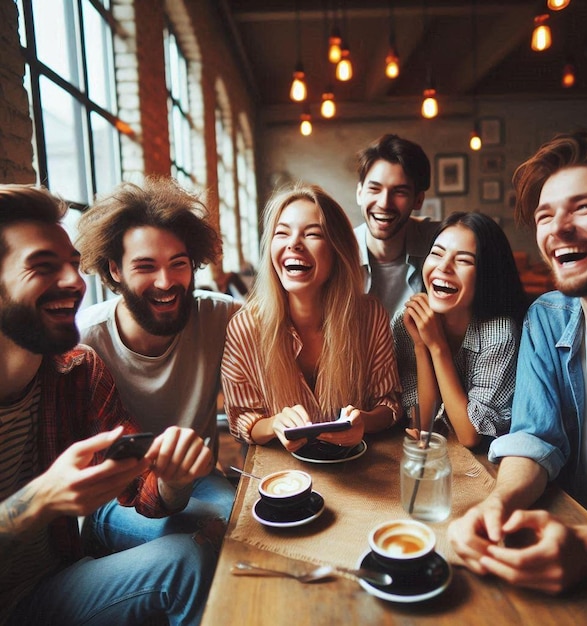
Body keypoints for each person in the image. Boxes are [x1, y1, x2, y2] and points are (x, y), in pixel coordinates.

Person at [0, 184, 214, 625]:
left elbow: (140, 489)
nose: (74, 282)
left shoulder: (76, 370)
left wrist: (174, 480)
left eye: (72, 266)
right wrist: (33, 504)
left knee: (189, 558)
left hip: (48, 587)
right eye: (43, 267)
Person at [448, 129, 587, 594]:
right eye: (546, 215)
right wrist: (497, 503)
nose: (558, 228)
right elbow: (533, 436)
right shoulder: (546, 319)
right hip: (566, 544)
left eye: (584, 207)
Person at [75, 177, 237, 552]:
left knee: (241, 526)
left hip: (198, 477)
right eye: (145, 266)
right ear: (114, 270)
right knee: (203, 539)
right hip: (114, 498)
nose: (165, 282)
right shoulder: (84, 341)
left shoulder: (220, 315)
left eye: (178, 264)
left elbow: (283, 328)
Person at [221, 184, 401, 452]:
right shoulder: (245, 327)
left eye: (312, 234)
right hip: (282, 472)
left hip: (355, 465)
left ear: (337, 250)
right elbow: (241, 418)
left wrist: (364, 421)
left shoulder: (369, 316)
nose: (294, 243)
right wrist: (273, 424)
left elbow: (389, 404)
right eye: (281, 233)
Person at [402, 212, 527, 449]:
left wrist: (437, 347)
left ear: (486, 275)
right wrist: (421, 345)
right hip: (438, 455)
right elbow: (421, 427)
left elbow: (470, 436)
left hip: (482, 466)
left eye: (464, 260)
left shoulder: (500, 334)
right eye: (437, 254)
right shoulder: (409, 321)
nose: (444, 267)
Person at [354, 134, 440, 418]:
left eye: (399, 191)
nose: (384, 202)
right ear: (359, 193)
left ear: (418, 199)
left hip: (428, 406)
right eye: (374, 189)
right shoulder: (336, 255)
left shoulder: (440, 246)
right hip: (360, 407)